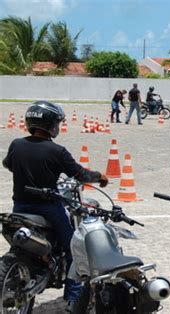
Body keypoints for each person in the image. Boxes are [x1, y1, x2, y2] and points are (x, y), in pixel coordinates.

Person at [2, 101, 109, 312]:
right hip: (48, 208)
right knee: (74, 249)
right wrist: (101, 176)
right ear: (52, 125)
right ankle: (73, 298)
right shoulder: (57, 151)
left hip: (20, 207)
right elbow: (82, 175)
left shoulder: (17, 144)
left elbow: (8, 164)